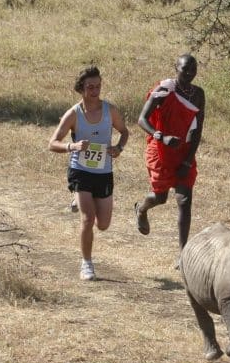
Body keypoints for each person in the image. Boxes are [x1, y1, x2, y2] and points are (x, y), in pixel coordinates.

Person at [48, 66, 129, 281]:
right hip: (80, 170)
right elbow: (52, 143)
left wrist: (118, 148)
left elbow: (124, 131)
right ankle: (86, 264)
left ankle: (79, 200)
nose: (95, 90)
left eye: (98, 86)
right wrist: (71, 147)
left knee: (103, 224)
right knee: (88, 219)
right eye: (90, 87)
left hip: (104, 172)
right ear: (81, 89)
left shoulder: (109, 110)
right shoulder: (73, 114)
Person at [134, 53, 205, 249]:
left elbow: (198, 129)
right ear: (176, 68)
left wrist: (189, 160)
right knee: (160, 197)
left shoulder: (198, 94)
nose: (189, 73)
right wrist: (161, 136)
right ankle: (141, 209)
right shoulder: (164, 89)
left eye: (193, 69)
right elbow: (142, 119)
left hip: (183, 151)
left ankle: (183, 254)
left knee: (184, 200)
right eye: (185, 69)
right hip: (161, 150)